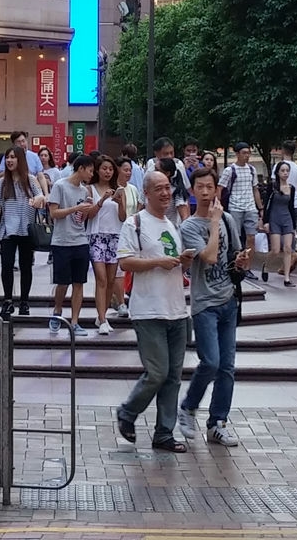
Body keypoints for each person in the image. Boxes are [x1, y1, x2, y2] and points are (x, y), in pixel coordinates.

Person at [116, 171, 191, 452]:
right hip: (148, 310)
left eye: (168, 188)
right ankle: (128, 412)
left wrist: (184, 262)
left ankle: (164, 433)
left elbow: (177, 266)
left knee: (173, 376)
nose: (165, 193)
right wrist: (159, 262)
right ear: (146, 193)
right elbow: (125, 263)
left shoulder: (172, 225)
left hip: (176, 309)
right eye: (158, 188)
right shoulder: (134, 224)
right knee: (157, 372)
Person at [179, 165, 249, 446]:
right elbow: (208, 256)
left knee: (227, 367)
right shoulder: (189, 226)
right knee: (211, 361)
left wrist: (241, 261)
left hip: (228, 299)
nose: (206, 192)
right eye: (200, 188)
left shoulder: (229, 220)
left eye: (210, 187)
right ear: (193, 191)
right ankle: (188, 406)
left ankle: (217, 422)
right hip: (204, 303)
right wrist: (215, 223)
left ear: (217, 188)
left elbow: (232, 256)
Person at [48, 153, 100, 338]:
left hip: (80, 240)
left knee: (79, 282)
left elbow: (83, 218)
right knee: (63, 282)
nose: (91, 175)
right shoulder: (60, 186)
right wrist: (75, 208)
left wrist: (89, 209)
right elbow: (53, 213)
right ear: (81, 168)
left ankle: (75, 321)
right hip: (62, 241)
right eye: (90, 171)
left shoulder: (85, 191)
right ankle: (57, 310)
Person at [0, 150, 45, 318]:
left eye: (13, 157)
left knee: (26, 266)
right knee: (6, 265)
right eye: (7, 157)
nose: (9, 160)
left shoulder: (30, 179)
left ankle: (24, 302)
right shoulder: (2, 182)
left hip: (26, 229)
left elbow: (41, 197)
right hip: (8, 229)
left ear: (20, 160)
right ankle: (7, 300)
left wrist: (38, 200)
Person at [88, 156, 126, 332]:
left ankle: (101, 315)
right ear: (97, 170)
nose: (107, 172)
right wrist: (102, 200)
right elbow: (89, 214)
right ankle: (102, 319)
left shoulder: (119, 190)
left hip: (115, 236)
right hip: (97, 236)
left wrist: (119, 204)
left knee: (111, 279)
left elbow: (123, 218)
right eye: (104, 168)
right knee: (101, 278)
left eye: (110, 169)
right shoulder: (90, 189)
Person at [266, 152, 297, 285]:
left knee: (287, 248)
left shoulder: (291, 189)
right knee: (275, 249)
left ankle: (286, 277)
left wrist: (294, 225)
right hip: (274, 218)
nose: (285, 173)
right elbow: (267, 205)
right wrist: (266, 221)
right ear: (278, 172)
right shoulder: (272, 187)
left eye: (287, 171)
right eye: (283, 170)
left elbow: (291, 207)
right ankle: (266, 264)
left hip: (287, 219)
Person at [219, 142, 262, 244]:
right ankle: (236, 257)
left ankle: (250, 259)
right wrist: (219, 204)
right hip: (235, 207)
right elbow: (220, 188)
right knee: (235, 237)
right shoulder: (229, 170)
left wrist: (260, 208)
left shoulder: (252, 169)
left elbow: (255, 189)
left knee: (251, 237)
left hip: (250, 207)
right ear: (237, 154)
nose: (247, 155)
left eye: (248, 153)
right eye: (244, 153)